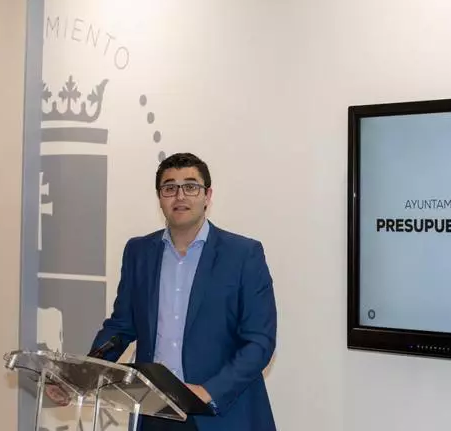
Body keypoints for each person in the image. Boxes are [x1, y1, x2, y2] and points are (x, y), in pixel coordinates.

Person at [47, 153, 278, 431]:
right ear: (160, 197)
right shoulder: (139, 252)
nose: (180, 196)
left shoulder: (243, 254)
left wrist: (208, 392)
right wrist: (79, 379)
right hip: (154, 411)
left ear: (207, 195)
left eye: (190, 186)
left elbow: (259, 342)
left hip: (221, 414)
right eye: (170, 188)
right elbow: (120, 328)